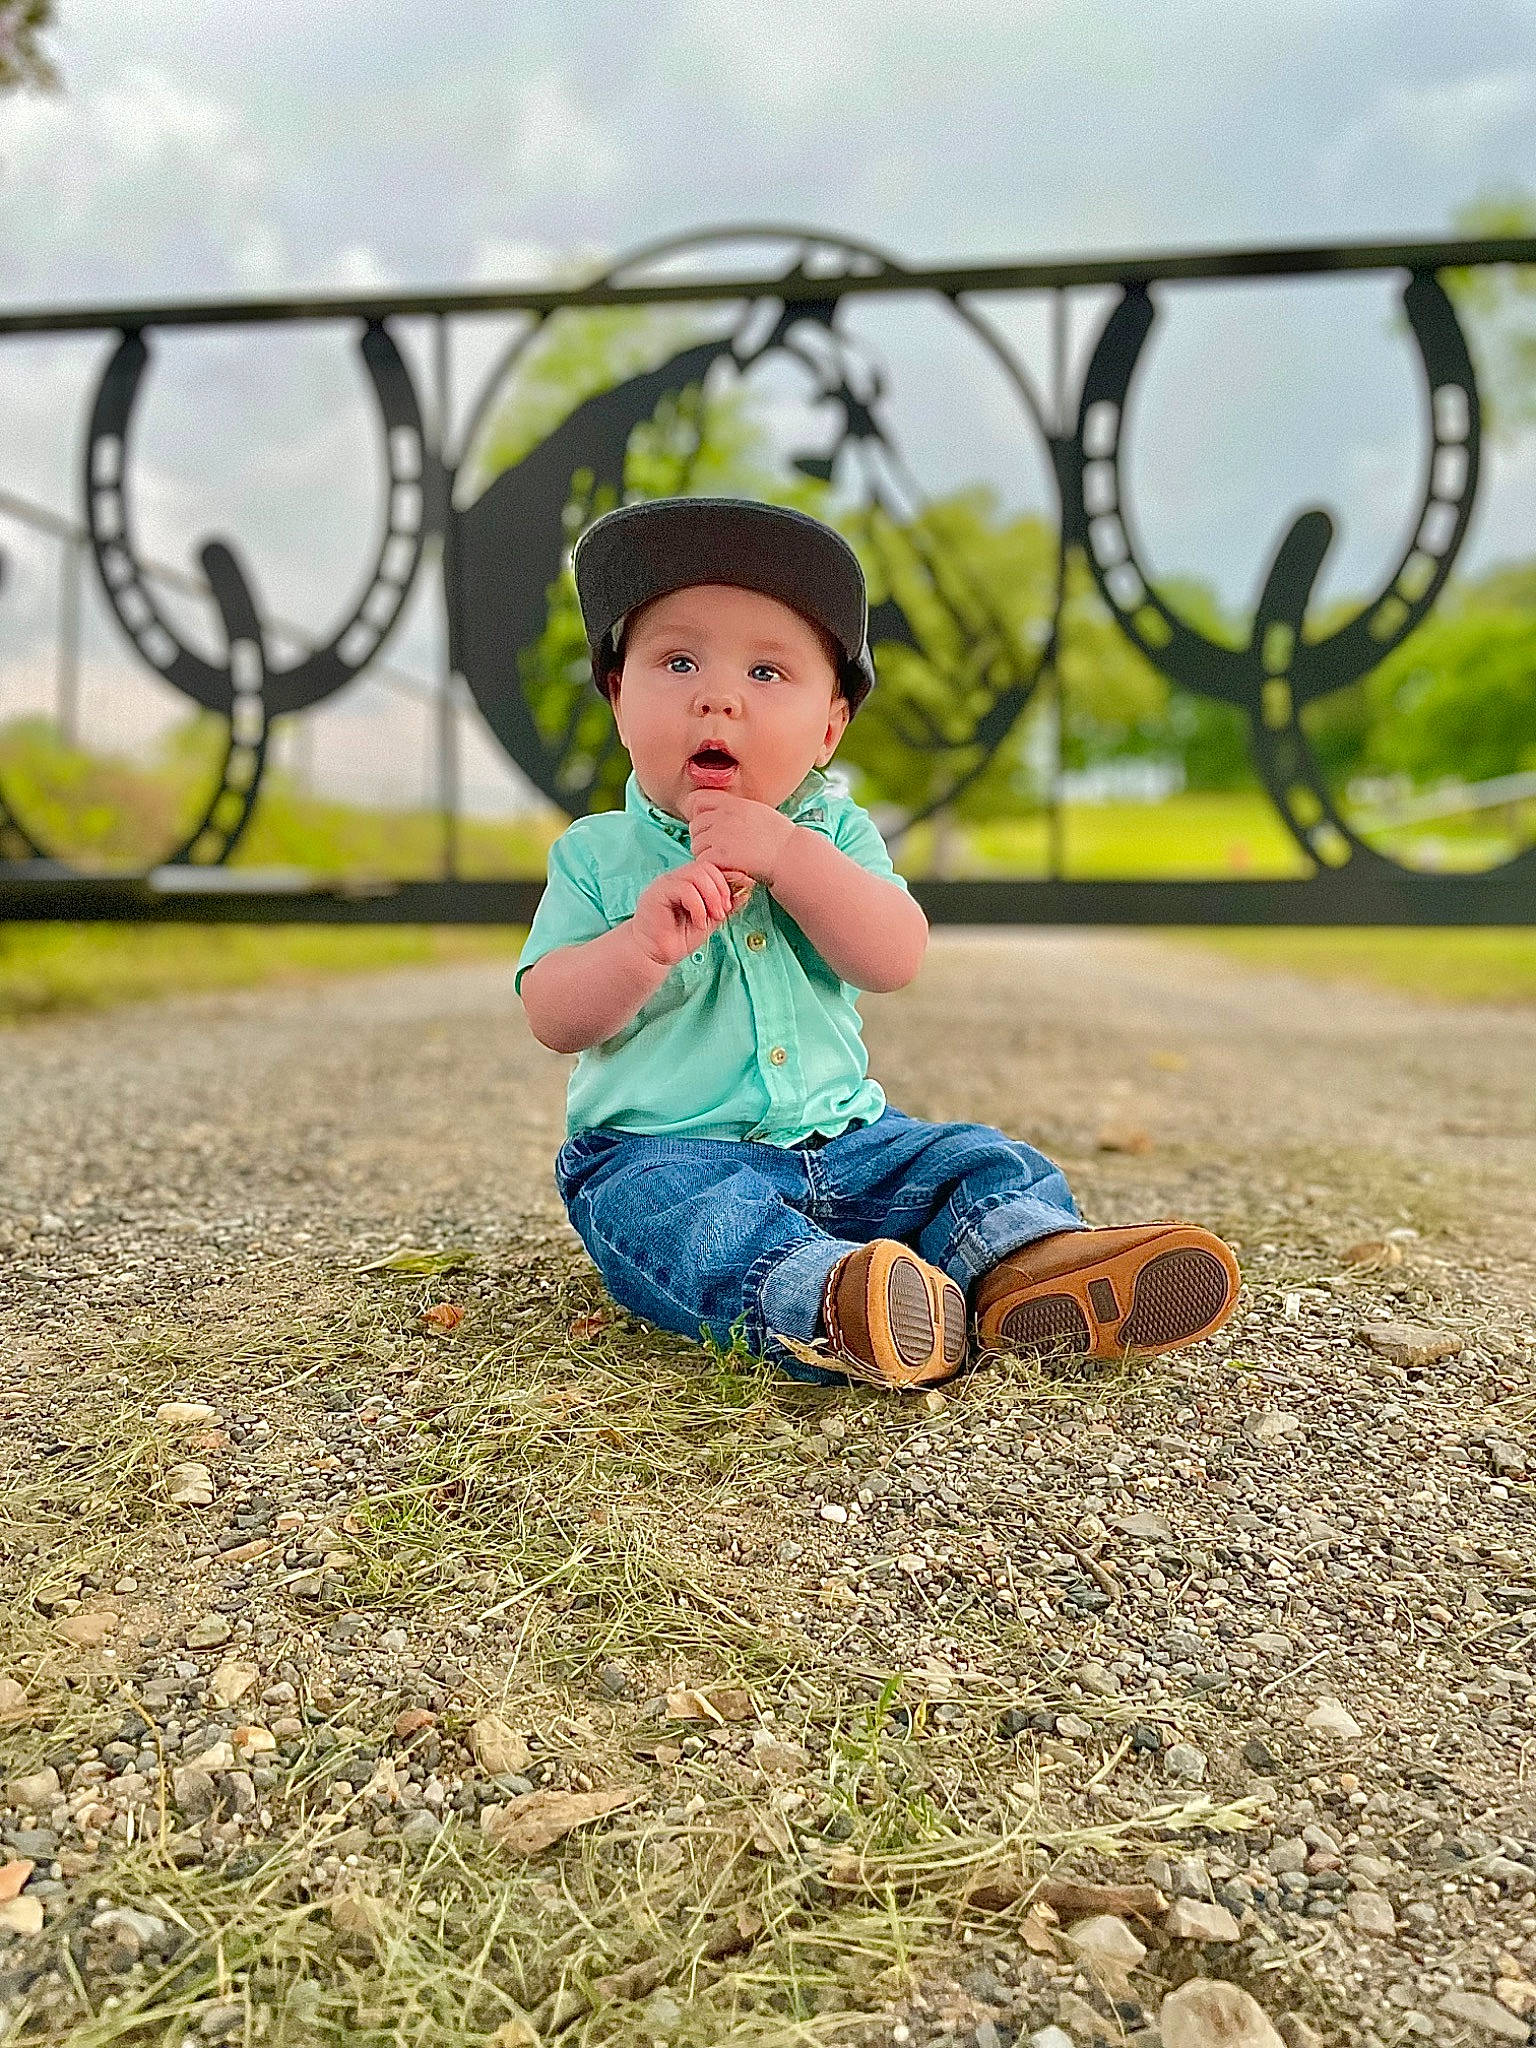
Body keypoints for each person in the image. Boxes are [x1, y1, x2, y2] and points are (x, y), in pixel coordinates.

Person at [516, 498, 1239, 1391]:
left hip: (852, 1140)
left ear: (829, 727)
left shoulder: (834, 834)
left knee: (973, 1159)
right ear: (621, 699)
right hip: (666, 1149)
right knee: (673, 1218)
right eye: (677, 660)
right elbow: (554, 1013)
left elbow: (893, 957)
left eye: (769, 672)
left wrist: (791, 858)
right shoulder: (598, 856)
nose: (720, 694)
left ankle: (1024, 1266)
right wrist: (640, 946)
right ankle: (828, 1300)